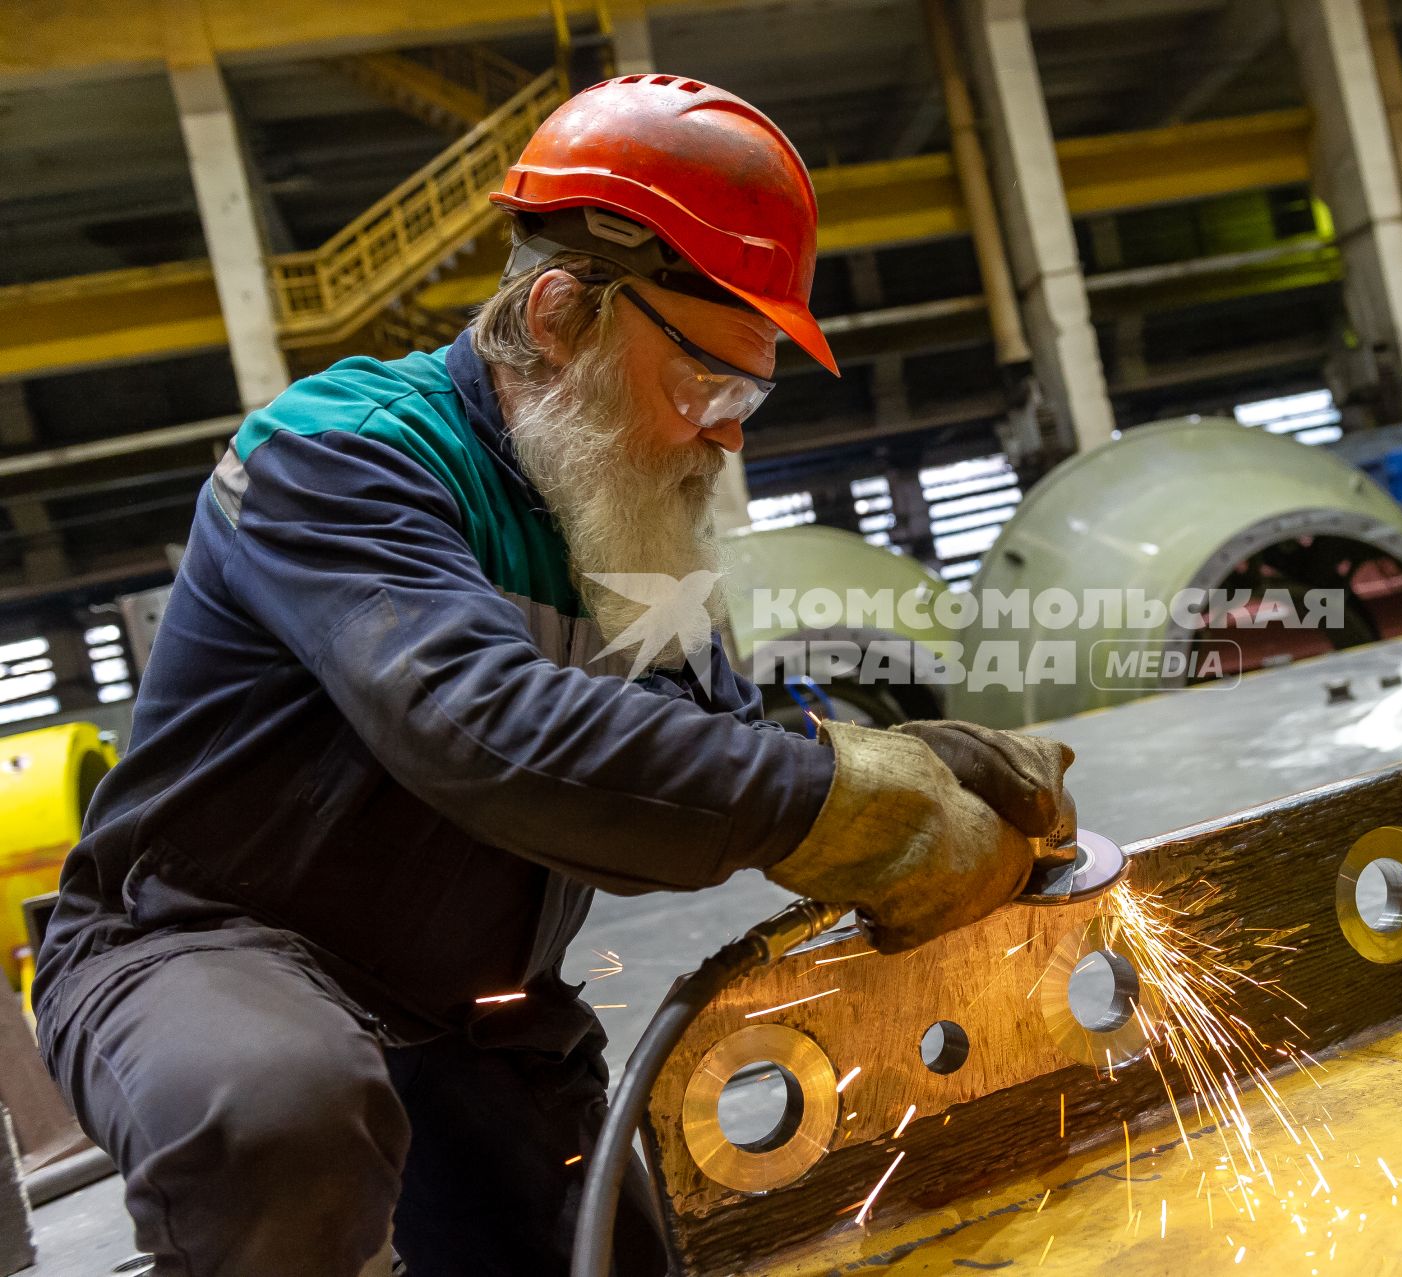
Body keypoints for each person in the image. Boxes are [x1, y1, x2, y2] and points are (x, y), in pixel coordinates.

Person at [33, 74, 1074, 1277]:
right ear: (559, 313)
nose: (726, 432)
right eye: (704, 382)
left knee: (608, 1249)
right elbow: (481, 729)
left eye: (748, 394)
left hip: (461, 1009)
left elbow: (720, 740)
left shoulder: (621, 522)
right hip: (202, 948)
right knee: (282, 1112)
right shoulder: (341, 452)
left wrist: (928, 760)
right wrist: (844, 806)